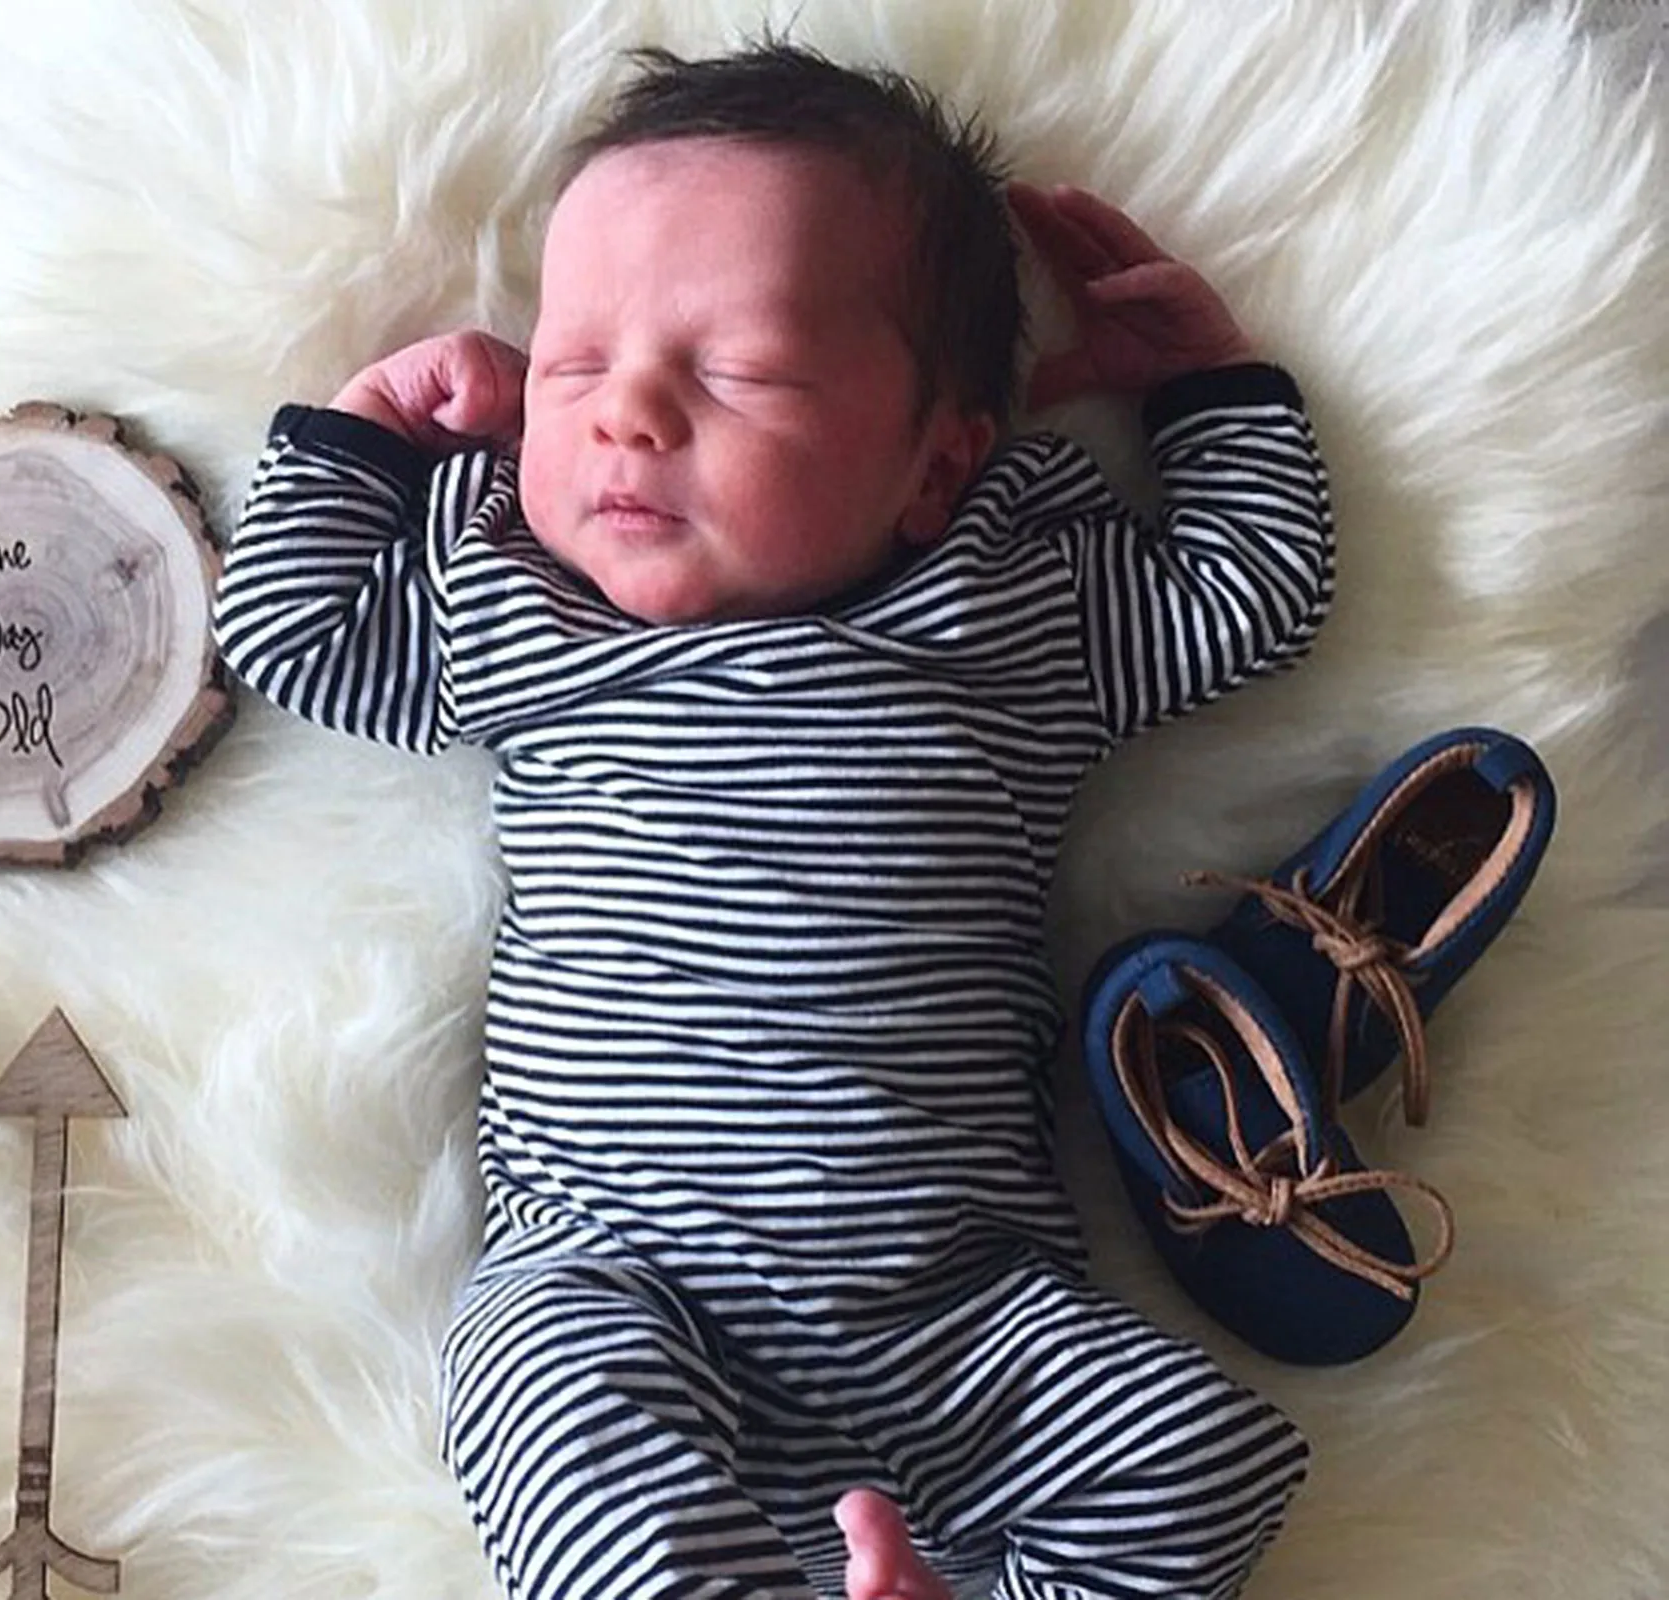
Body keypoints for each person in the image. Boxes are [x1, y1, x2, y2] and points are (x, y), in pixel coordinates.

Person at [214, 41, 1332, 1600]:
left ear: (940, 460)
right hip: (624, 1278)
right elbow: (292, 632)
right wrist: (369, 432)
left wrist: (1210, 385)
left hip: (964, 1311)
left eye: (735, 371)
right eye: (575, 364)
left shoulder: (1008, 608)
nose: (627, 417)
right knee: (545, 1403)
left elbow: (1249, 591)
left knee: (1193, 1457)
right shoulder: (527, 608)